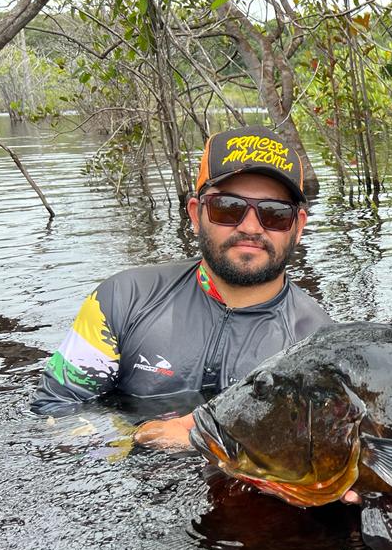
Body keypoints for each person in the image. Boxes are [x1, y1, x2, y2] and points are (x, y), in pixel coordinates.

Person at [31, 125, 332, 446]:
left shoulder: (319, 344)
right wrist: (138, 437)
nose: (250, 227)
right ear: (195, 213)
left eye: (274, 214)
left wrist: (208, 442)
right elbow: (52, 411)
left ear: (298, 227)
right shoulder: (120, 300)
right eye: (227, 208)